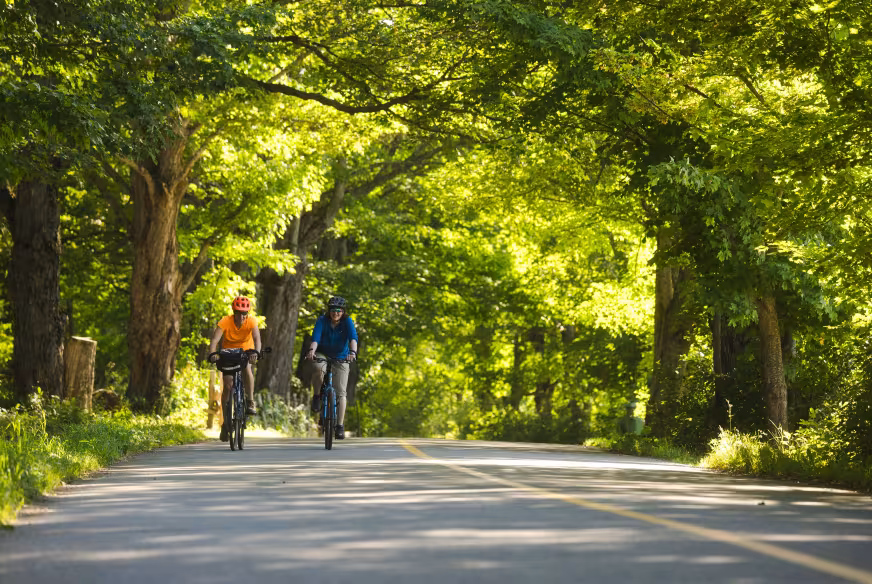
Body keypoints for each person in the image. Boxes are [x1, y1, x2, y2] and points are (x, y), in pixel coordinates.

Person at [303, 296, 358, 440]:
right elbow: (315, 338)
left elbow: (353, 338)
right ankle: (317, 396)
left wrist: (352, 353)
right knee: (318, 368)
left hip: (342, 356)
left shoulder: (347, 321)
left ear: (343, 311)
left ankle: (339, 426)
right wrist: (311, 351)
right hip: (322, 353)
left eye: (339, 310)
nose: (336, 313)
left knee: (341, 393)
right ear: (329, 311)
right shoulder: (322, 320)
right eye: (333, 310)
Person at [208, 296, 262, 442]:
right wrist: (213, 354)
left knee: (247, 370)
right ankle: (226, 421)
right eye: (239, 313)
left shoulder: (251, 321)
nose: (242, 316)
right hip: (228, 353)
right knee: (227, 385)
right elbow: (214, 340)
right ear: (234, 312)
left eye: (245, 313)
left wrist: (256, 353)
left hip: (245, 352)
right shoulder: (225, 321)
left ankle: (250, 401)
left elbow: (257, 339)